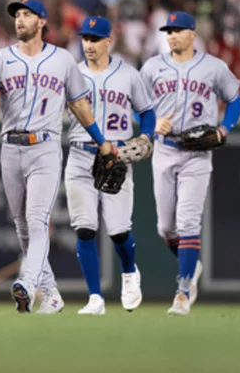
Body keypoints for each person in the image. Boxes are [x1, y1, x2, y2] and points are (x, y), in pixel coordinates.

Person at [0, 0, 116, 313]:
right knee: (22, 227)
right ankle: (51, 295)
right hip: (10, 147)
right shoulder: (1, 58)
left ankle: (27, 282)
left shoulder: (62, 60)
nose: (20, 20)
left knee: (37, 222)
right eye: (17, 15)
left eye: (26, 15)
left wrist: (101, 141)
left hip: (45, 147)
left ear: (42, 21)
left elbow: (79, 106)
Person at [140, 12, 240, 315]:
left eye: (178, 30)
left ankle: (183, 292)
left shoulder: (213, 67)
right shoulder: (152, 67)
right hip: (165, 148)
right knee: (166, 228)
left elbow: (235, 100)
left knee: (187, 223)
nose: (172, 35)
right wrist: (150, 124)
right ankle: (192, 265)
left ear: (192, 33)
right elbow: (137, 105)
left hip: (198, 153)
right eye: (168, 31)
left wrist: (224, 128)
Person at [65, 16, 155, 315]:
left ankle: (130, 273)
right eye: (85, 38)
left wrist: (145, 135)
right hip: (80, 154)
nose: (88, 44)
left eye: (94, 39)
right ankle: (95, 298)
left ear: (108, 41)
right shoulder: (72, 74)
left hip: (116, 156)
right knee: (85, 228)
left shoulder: (128, 75)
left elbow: (147, 111)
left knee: (118, 231)